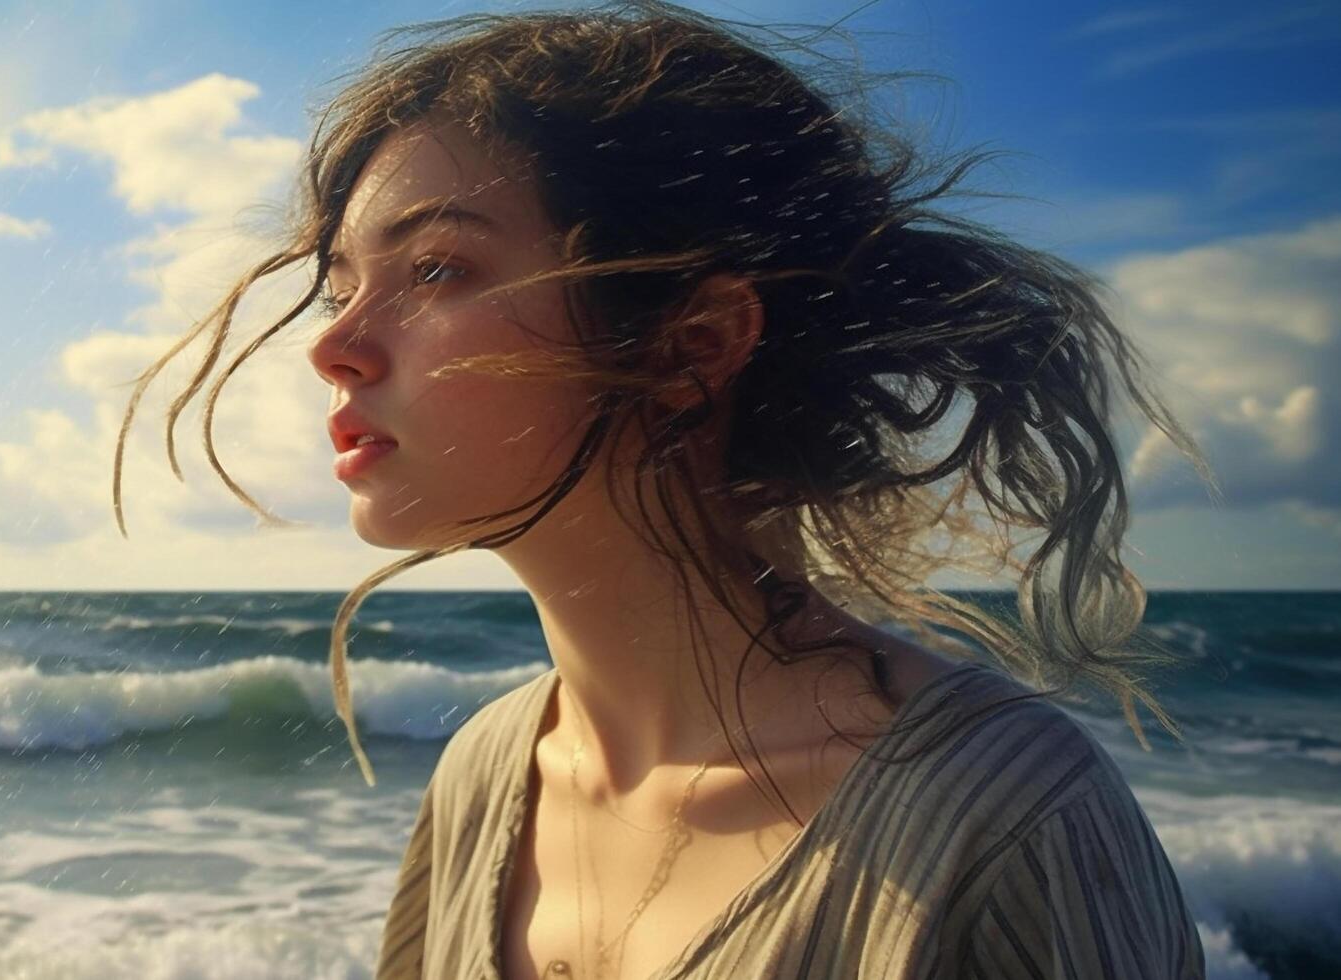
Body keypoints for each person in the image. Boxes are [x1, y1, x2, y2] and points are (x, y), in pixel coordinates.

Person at [114, 2, 1210, 976]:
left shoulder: (998, 815)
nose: (335, 346)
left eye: (435, 268)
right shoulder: (486, 778)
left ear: (691, 344)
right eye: (341, 284)